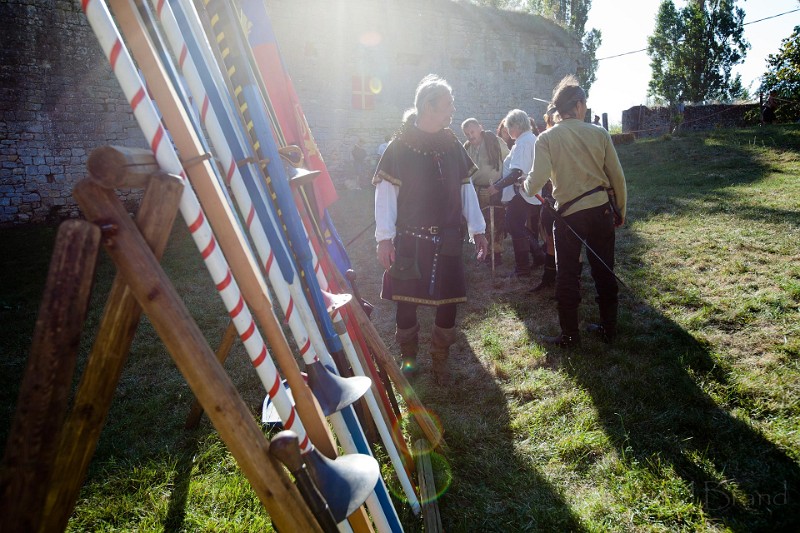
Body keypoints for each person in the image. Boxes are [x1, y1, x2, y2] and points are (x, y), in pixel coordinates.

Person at [373, 74, 488, 385]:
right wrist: (384, 239)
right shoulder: (399, 147)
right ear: (428, 106)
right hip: (411, 239)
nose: (452, 110)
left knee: (448, 303)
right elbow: (385, 196)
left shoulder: (452, 145)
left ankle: (440, 363)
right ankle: (409, 361)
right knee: (406, 303)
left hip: (449, 238)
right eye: (447, 104)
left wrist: (478, 229)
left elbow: (467, 191)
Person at [523, 75, 627, 347]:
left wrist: (526, 184)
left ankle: (570, 336)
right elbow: (617, 177)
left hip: (568, 217)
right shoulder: (599, 133)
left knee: (567, 274)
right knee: (604, 270)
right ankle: (609, 329)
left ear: (559, 108)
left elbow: (535, 182)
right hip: (601, 211)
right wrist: (620, 211)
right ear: (579, 105)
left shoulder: (546, 138)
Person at [487, 109, 542, 278]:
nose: (508, 130)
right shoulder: (526, 140)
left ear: (517, 125)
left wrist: (497, 186)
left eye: (510, 126)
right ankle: (538, 256)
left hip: (521, 192)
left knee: (514, 226)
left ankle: (523, 268)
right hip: (523, 191)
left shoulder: (524, 142)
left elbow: (517, 172)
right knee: (516, 226)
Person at [462, 118, 510, 266]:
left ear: (480, 128)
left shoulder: (494, 142)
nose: (470, 136)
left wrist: (502, 185)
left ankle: (496, 253)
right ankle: (484, 252)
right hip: (475, 190)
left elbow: (509, 160)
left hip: (493, 188)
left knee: (495, 222)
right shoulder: (467, 147)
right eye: (467, 133)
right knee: (480, 223)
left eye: (472, 131)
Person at [530, 107, 559, 294]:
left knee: (569, 246)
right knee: (550, 239)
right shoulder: (547, 138)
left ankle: (570, 285)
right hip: (549, 198)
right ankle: (549, 278)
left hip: (566, 200)